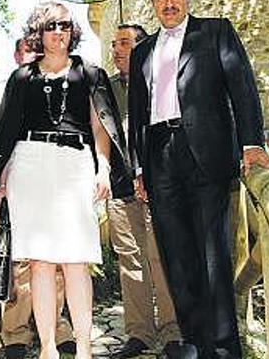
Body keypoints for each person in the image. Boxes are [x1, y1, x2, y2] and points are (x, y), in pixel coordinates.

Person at [127, 0, 269, 359]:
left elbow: (242, 88)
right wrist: (139, 167)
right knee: (177, 256)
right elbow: (138, 114)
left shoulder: (216, 32)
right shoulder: (142, 52)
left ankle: (224, 348)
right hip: (159, 159)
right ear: (153, 3)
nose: (169, 3)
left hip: (206, 155)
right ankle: (192, 343)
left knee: (213, 255)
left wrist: (250, 143)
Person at [0, 1, 133, 359]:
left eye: (65, 25)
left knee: (77, 261)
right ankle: (48, 347)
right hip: (30, 167)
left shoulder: (91, 73)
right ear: (39, 32)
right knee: (40, 263)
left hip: (76, 165)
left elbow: (101, 126)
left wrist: (103, 167)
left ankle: (83, 348)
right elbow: (6, 131)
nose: (59, 32)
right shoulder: (22, 78)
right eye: (51, 26)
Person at [0, 38, 76, 359]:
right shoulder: (2, 89)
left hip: (51, 189)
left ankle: (57, 330)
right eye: (29, 51)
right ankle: (16, 333)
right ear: (18, 55)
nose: (35, 57)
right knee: (15, 261)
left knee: (55, 262)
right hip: (11, 189)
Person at [106, 24, 181, 358]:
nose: (116, 49)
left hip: (156, 183)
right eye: (113, 43)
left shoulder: (160, 82)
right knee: (130, 261)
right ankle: (139, 333)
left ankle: (173, 333)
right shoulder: (104, 88)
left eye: (124, 43)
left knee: (161, 255)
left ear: (142, 47)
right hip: (119, 186)